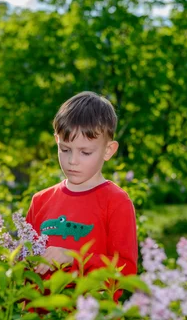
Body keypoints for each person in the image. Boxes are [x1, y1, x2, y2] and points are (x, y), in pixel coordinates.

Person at [26, 91, 138, 284]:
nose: (73, 161)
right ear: (56, 142)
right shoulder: (40, 200)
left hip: (95, 312)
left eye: (85, 152)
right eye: (65, 149)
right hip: (40, 313)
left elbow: (126, 270)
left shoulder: (116, 201)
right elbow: (26, 262)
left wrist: (73, 258)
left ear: (108, 150)